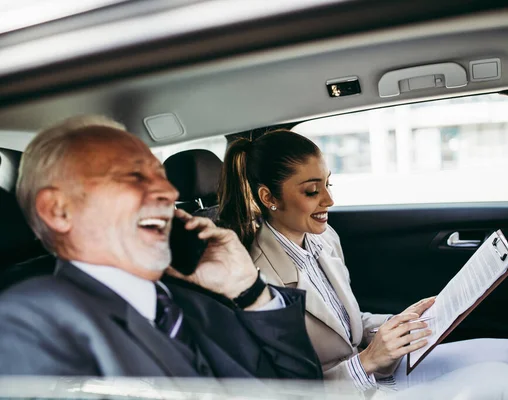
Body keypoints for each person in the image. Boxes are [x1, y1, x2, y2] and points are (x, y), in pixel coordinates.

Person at [217, 129, 508, 399]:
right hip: (348, 389)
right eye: (312, 191)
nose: (330, 200)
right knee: (505, 383)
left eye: (328, 184)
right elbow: (287, 390)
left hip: (374, 375)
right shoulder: (254, 280)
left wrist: (397, 324)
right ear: (268, 197)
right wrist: (367, 360)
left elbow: (345, 323)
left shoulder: (324, 239)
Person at [0, 116, 322, 380]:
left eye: (161, 175)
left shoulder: (198, 302)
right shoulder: (30, 322)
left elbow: (300, 389)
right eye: (134, 176)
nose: (168, 191)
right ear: (59, 210)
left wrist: (249, 290)